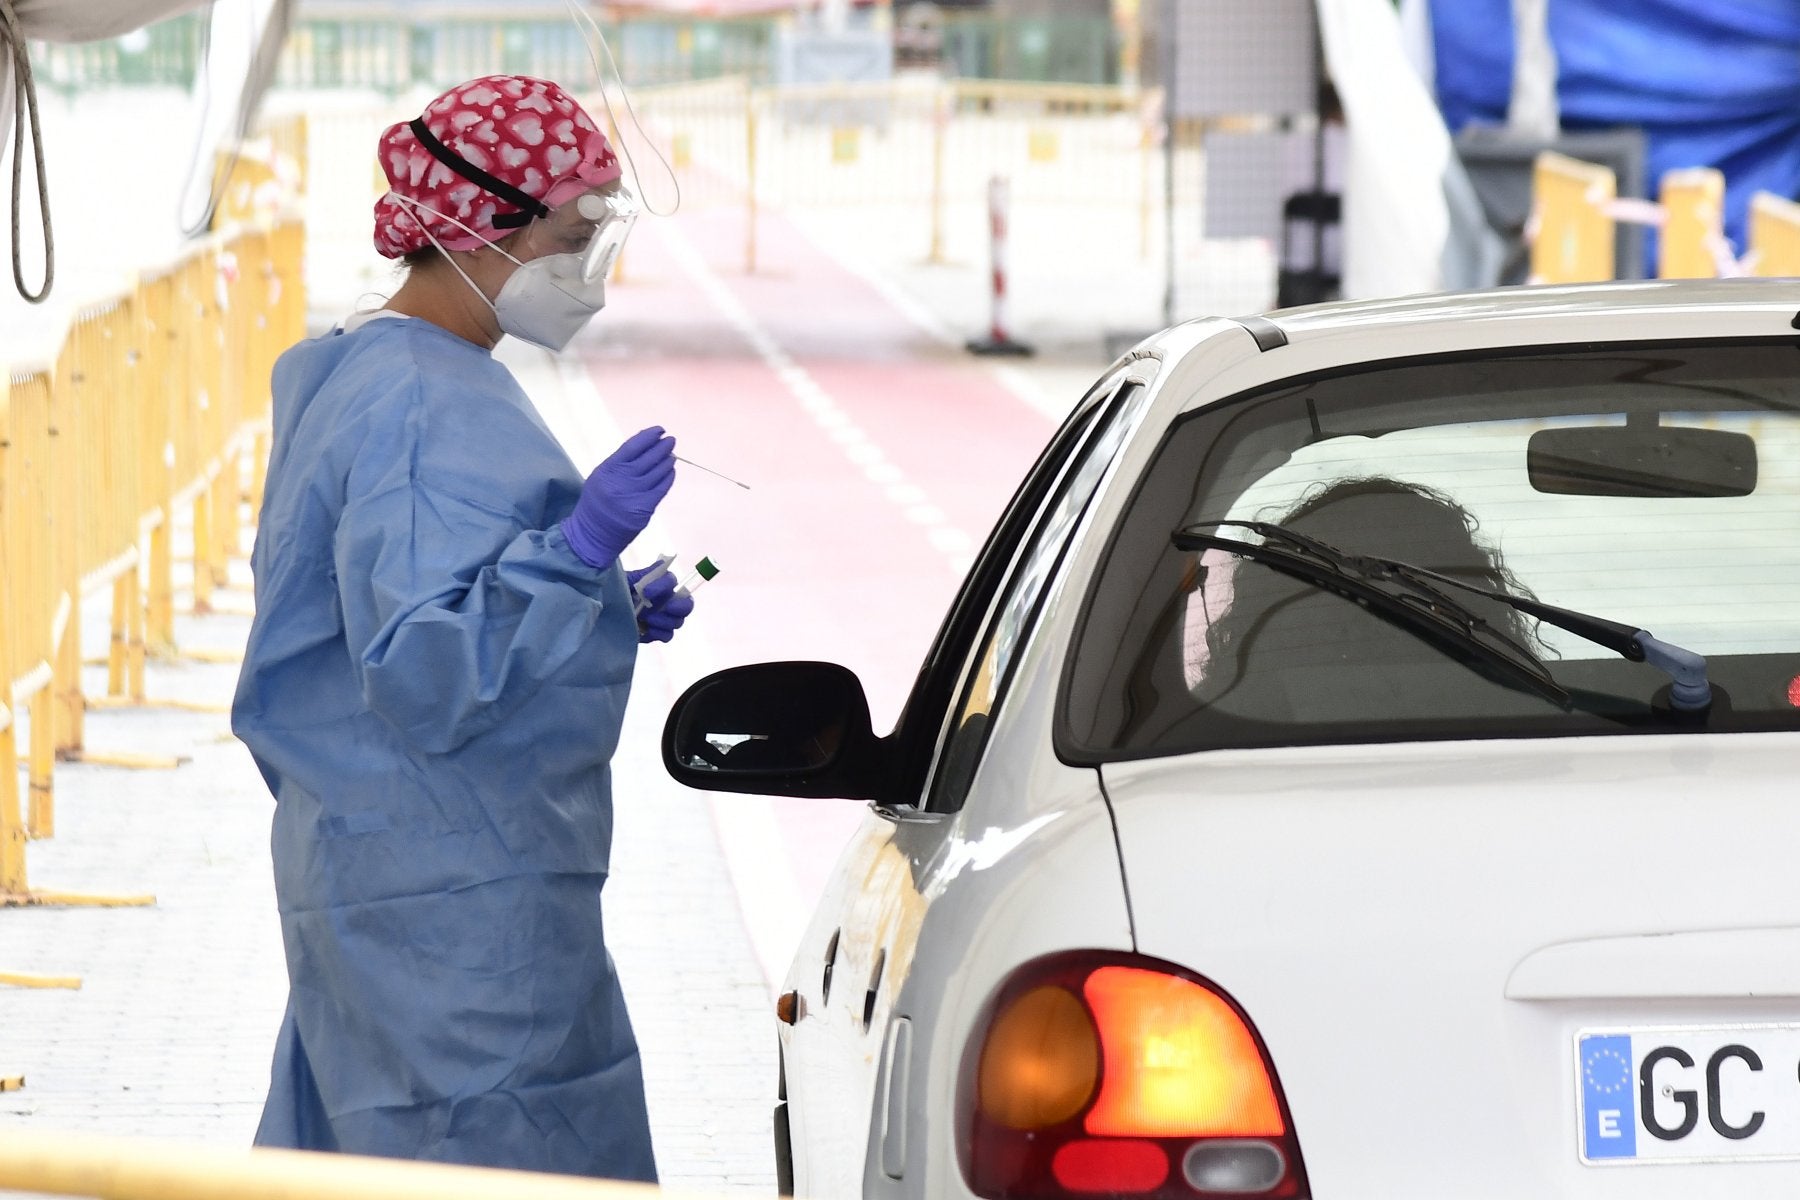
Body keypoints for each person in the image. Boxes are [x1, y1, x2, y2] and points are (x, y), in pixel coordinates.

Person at [230, 75, 689, 1181]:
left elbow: (388, 612)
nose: (591, 267)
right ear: (480, 225)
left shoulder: (382, 373)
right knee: (482, 1160)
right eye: (574, 233)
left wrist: (596, 602)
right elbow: (428, 669)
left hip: (401, 872)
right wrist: (575, 556)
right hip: (451, 906)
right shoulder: (417, 402)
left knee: (362, 1152)